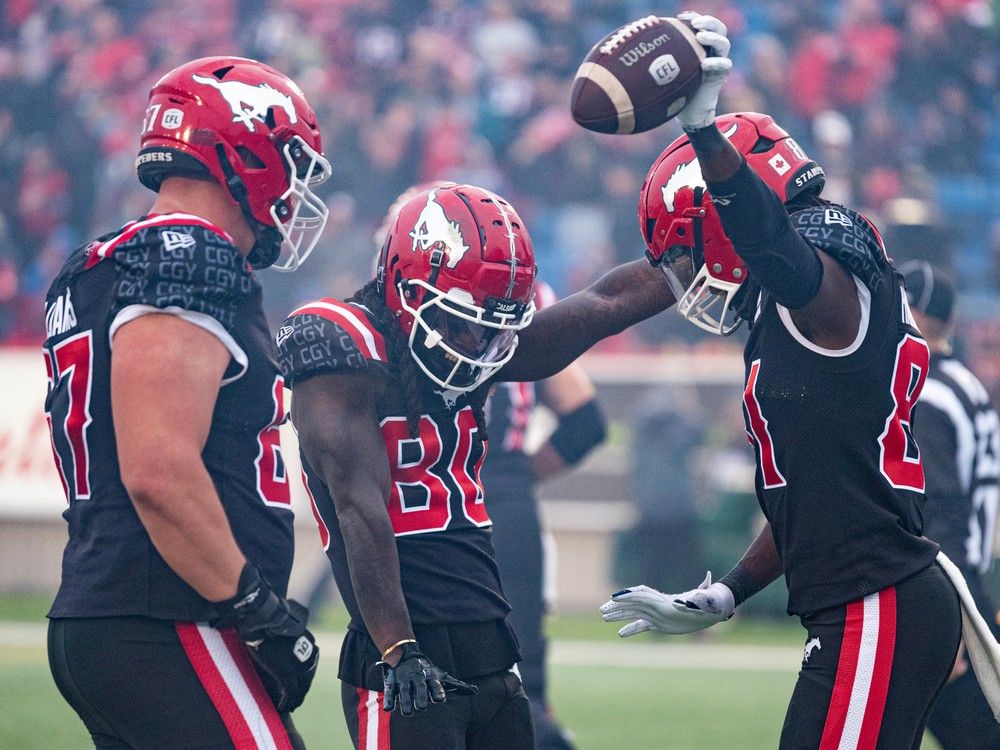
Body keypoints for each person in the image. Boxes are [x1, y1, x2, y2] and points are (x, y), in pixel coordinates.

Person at [599, 14, 967, 748]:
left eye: (688, 246)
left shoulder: (826, 291)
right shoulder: (795, 311)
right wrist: (728, 588)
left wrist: (706, 137)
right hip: (864, 603)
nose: (686, 271)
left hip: (879, 604)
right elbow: (814, 492)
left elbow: (778, 250)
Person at [276, 181, 674, 748]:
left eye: (491, 324)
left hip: (489, 638)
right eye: (462, 320)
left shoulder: (473, 344)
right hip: (402, 653)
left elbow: (603, 305)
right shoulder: (341, 345)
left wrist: (700, 255)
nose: (476, 340)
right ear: (407, 286)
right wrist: (399, 651)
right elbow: (358, 510)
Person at [42, 56, 330, 749]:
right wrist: (256, 606)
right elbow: (158, 472)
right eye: (290, 160)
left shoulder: (101, 262)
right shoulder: (189, 256)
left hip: (120, 607)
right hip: (171, 618)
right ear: (243, 146)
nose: (294, 188)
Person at [484, 280, 607, 750]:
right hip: (507, 500)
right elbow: (586, 421)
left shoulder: (403, 288)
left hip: (432, 499)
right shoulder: (521, 288)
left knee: (425, 688)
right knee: (521, 690)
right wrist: (514, 477)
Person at [900, 261, 1000, 749]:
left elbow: (940, 510)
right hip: (970, 580)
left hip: (950, 589)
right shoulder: (963, 381)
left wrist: (952, 615)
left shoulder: (929, 393)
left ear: (914, 313)